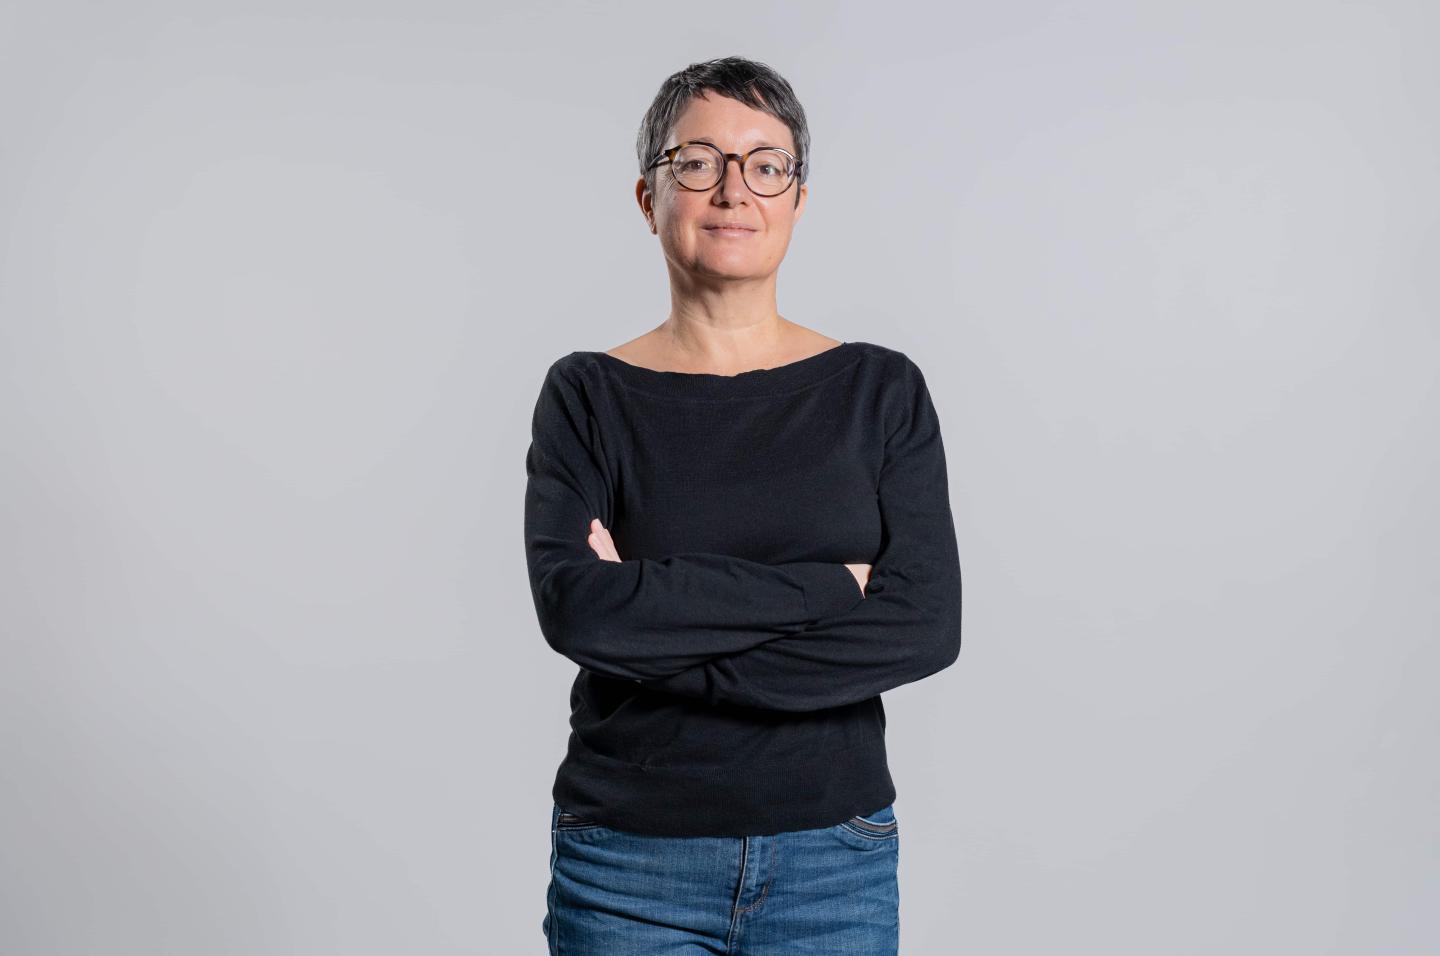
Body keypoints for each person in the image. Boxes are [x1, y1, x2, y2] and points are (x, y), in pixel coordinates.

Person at [523, 55, 963, 954]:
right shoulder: (588, 395)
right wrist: (832, 588)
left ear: (797, 199)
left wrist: (658, 637)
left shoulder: (880, 392)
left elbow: (924, 627)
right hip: (627, 866)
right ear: (648, 197)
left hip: (832, 863)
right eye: (697, 163)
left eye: (766, 165)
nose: (733, 191)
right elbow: (579, 610)